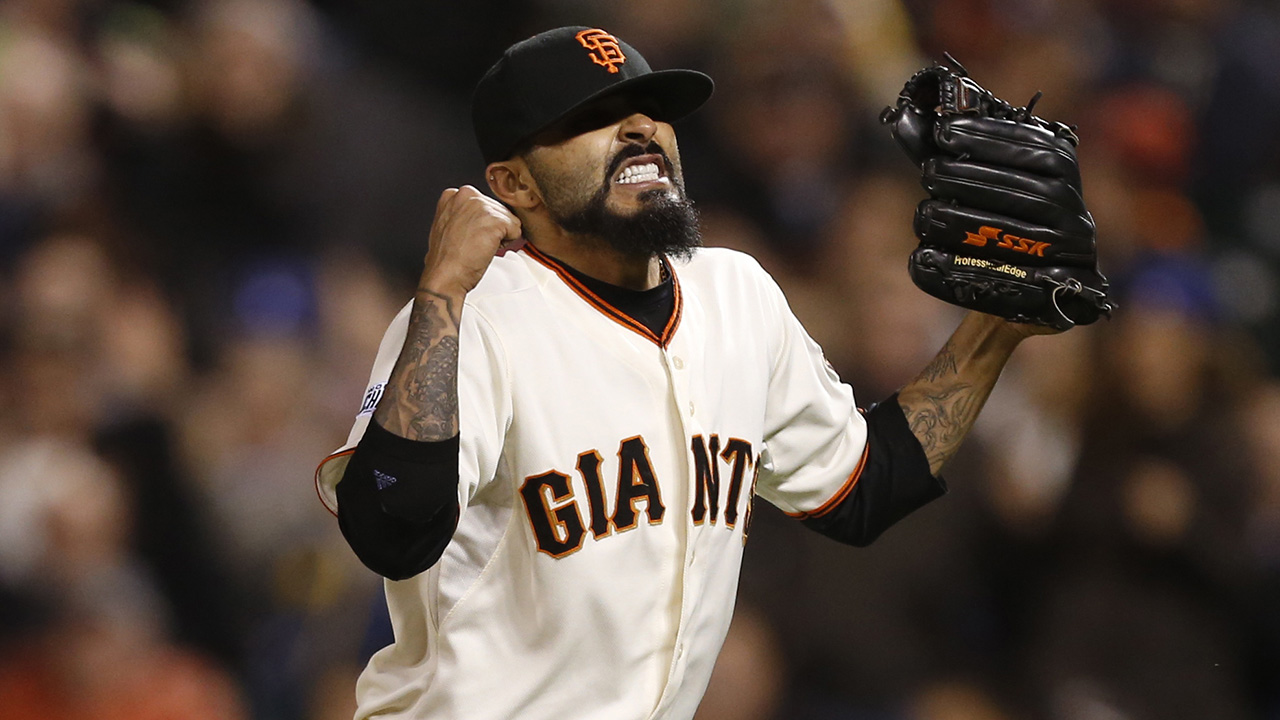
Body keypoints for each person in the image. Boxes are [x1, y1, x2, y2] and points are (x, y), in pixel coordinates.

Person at [314, 26, 1056, 720]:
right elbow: (389, 530)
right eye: (595, 117)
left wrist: (997, 326)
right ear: (515, 184)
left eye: (650, 109)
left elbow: (864, 486)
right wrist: (441, 292)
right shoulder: (472, 319)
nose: (640, 128)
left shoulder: (736, 294)